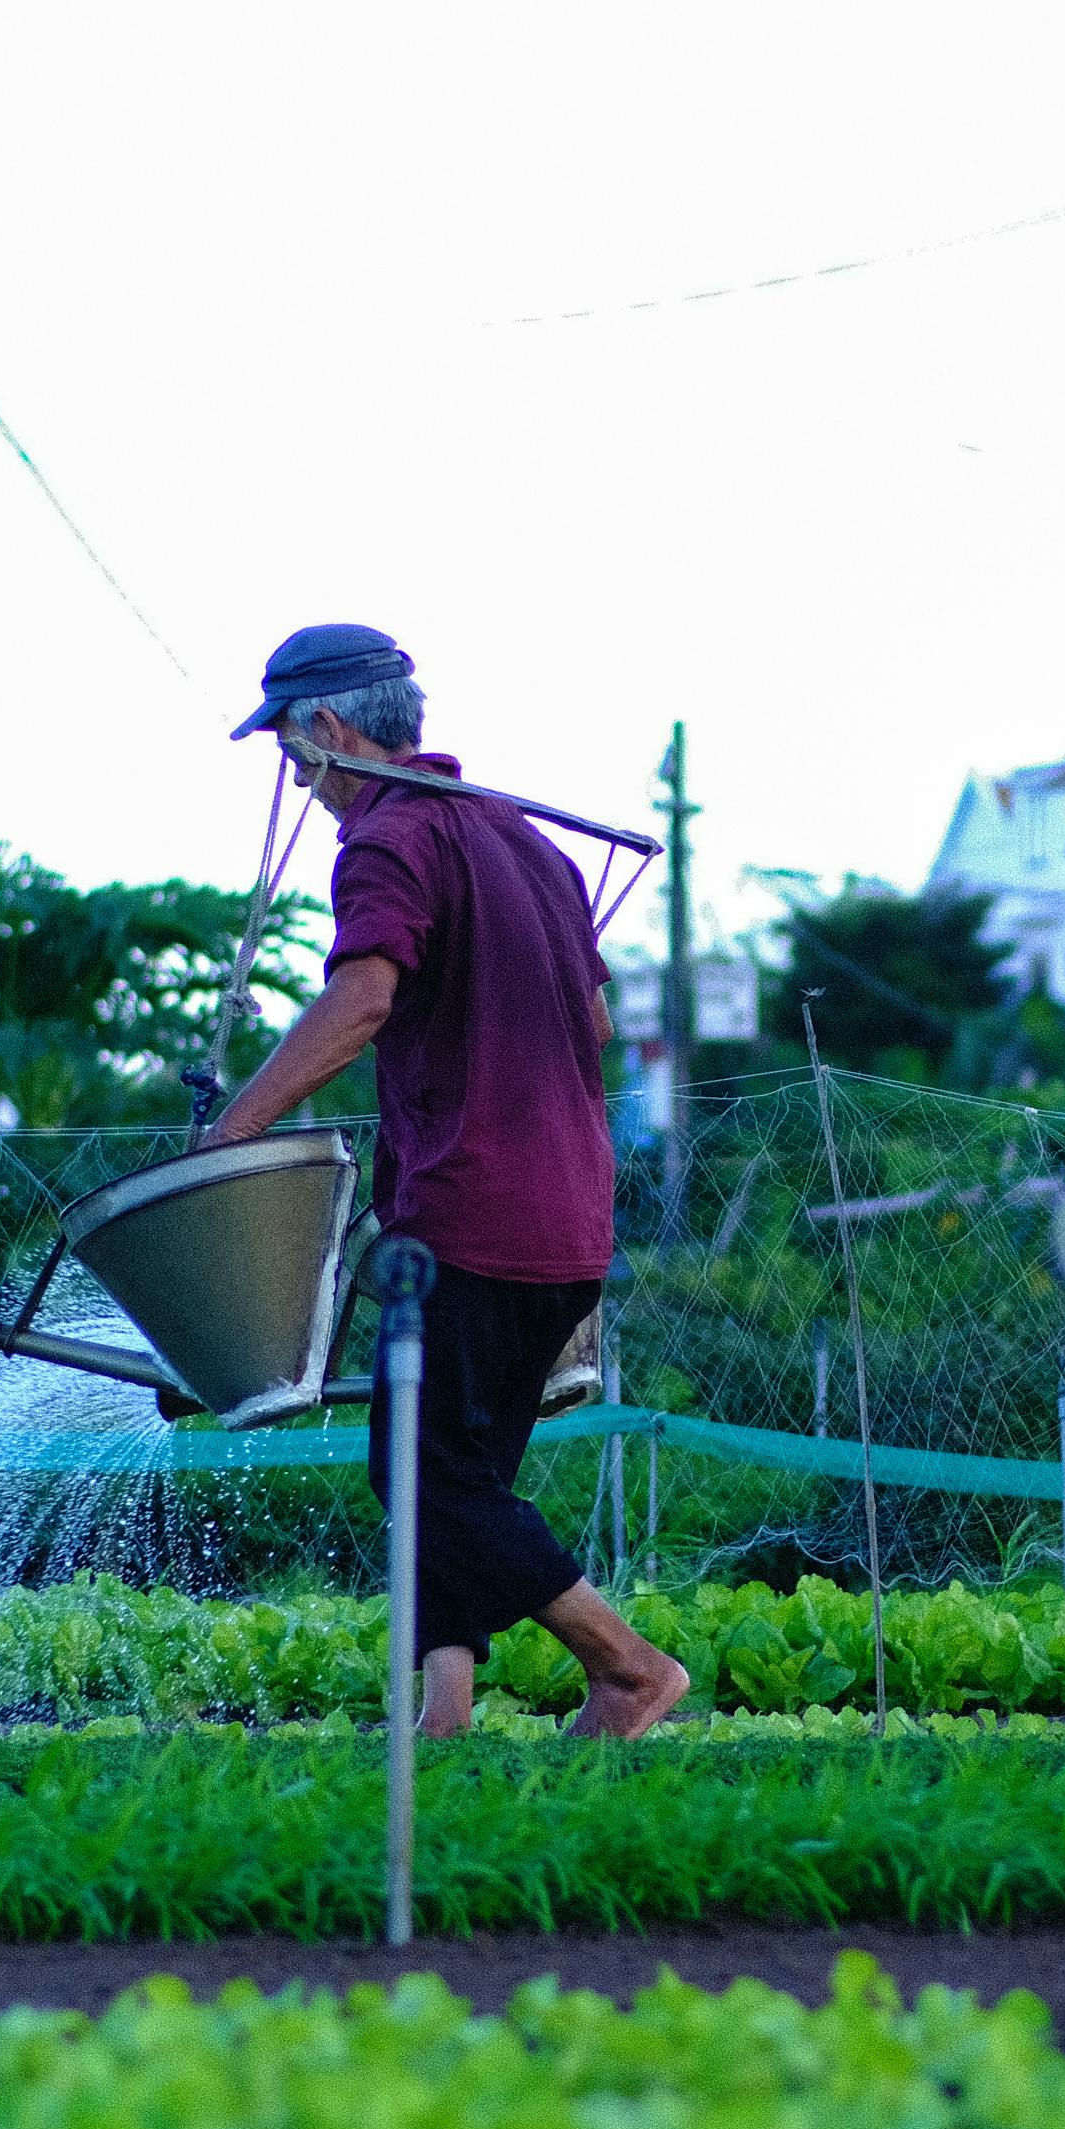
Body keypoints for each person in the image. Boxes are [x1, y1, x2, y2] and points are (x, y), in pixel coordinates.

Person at [206, 622, 691, 1739]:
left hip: (473, 1216)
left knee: (424, 1482)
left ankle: (628, 1671)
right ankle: (444, 1722)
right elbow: (598, 1019)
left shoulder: (388, 840)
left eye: (289, 747)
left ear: (329, 728)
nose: (295, 776)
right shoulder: (523, 841)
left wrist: (232, 1131)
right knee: (456, 1481)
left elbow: (365, 998)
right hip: (570, 1223)